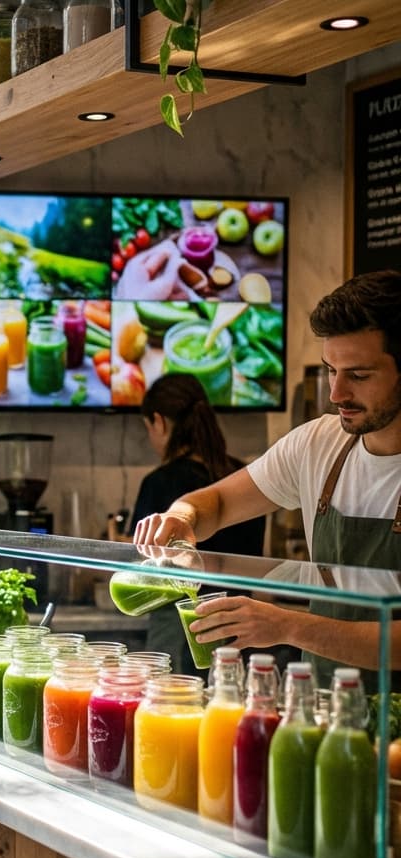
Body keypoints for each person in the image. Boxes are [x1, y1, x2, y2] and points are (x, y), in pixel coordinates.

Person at [134, 269, 401, 688]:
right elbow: (217, 503)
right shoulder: (317, 444)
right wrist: (182, 517)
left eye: (359, 376)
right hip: (324, 704)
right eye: (332, 370)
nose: (336, 394)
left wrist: (288, 625)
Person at [115, 374, 265, 672]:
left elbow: (142, 560)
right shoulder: (244, 480)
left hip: (178, 628)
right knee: (227, 705)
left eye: (148, 429)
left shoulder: (159, 482)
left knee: (175, 708)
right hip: (240, 622)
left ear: (158, 422)